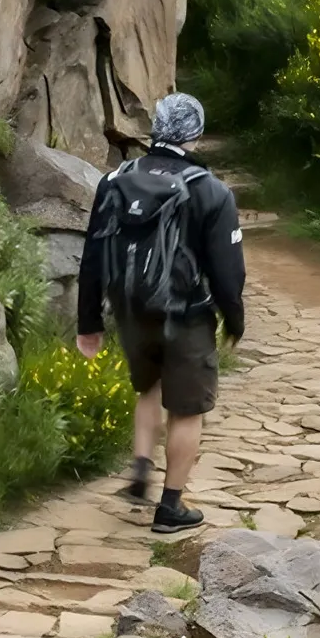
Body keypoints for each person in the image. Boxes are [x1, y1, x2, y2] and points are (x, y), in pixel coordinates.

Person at [75, 93, 245, 533]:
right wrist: (234, 319)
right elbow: (228, 273)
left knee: (147, 386)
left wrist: (88, 322)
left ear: (157, 127)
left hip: (131, 311)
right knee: (188, 410)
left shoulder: (114, 180)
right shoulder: (212, 192)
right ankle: (170, 507)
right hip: (186, 316)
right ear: (196, 135)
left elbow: (93, 254)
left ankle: (139, 469)